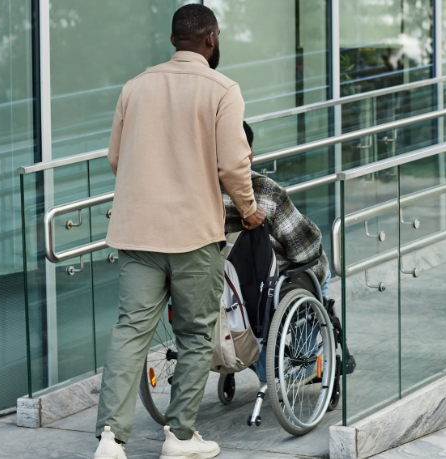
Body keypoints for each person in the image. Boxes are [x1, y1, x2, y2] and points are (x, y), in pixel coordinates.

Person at [94, 5, 265, 459]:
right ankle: (180, 437)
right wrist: (248, 211)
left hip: (137, 232)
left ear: (174, 41)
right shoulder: (222, 89)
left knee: (131, 330)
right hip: (193, 234)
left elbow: (116, 158)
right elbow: (233, 164)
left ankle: (110, 439)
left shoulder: (135, 87)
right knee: (194, 334)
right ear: (210, 39)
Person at [223, 122, 331, 386]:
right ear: (248, 153)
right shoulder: (265, 192)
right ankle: (303, 359)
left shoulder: (196, 193)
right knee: (319, 273)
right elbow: (305, 248)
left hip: (217, 285)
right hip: (264, 288)